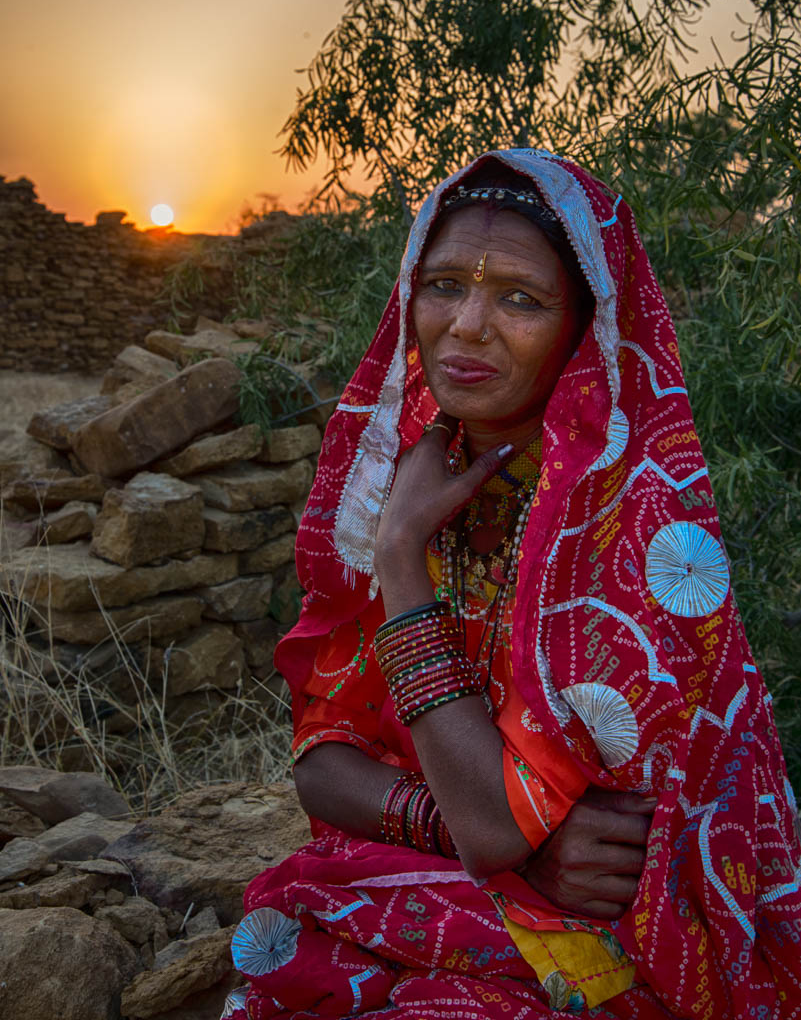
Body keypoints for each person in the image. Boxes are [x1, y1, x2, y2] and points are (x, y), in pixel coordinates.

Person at [223, 150, 801, 1019]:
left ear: (584, 327)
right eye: (444, 284)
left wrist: (400, 565)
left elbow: (502, 825)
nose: (465, 325)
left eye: (520, 299)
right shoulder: (410, 486)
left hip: (625, 942)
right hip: (473, 890)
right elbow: (323, 763)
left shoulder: (632, 527)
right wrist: (491, 835)